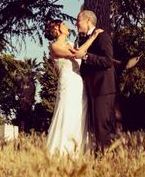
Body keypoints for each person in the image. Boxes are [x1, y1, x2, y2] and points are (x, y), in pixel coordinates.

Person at [44, 19, 103, 157]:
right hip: (68, 83)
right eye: (63, 24)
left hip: (78, 83)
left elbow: (80, 53)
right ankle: (61, 153)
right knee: (66, 113)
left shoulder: (71, 44)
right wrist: (93, 37)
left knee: (79, 116)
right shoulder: (54, 47)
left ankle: (77, 153)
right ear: (57, 29)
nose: (67, 26)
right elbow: (77, 55)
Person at [76, 9, 118, 152]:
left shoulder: (102, 36)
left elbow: (108, 61)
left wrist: (86, 57)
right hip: (92, 88)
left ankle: (105, 159)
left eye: (78, 20)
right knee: (95, 126)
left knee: (102, 126)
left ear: (88, 20)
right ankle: (100, 156)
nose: (76, 24)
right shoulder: (83, 39)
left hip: (103, 88)